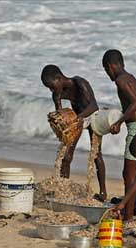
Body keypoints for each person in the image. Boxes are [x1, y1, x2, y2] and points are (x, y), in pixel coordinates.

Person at [41, 64, 107, 201]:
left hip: (92, 116)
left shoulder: (79, 83)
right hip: (77, 119)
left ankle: (103, 192)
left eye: (52, 86)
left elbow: (94, 105)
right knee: (66, 155)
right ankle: (63, 188)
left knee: (96, 154)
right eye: (49, 88)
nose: (51, 90)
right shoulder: (57, 94)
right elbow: (60, 115)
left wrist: (79, 118)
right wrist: (61, 124)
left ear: (59, 78)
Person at [102, 49, 136, 221]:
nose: (107, 74)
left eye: (106, 70)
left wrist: (119, 122)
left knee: (129, 175)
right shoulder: (130, 77)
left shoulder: (120, 80)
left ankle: (129, 216)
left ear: (110, 66)